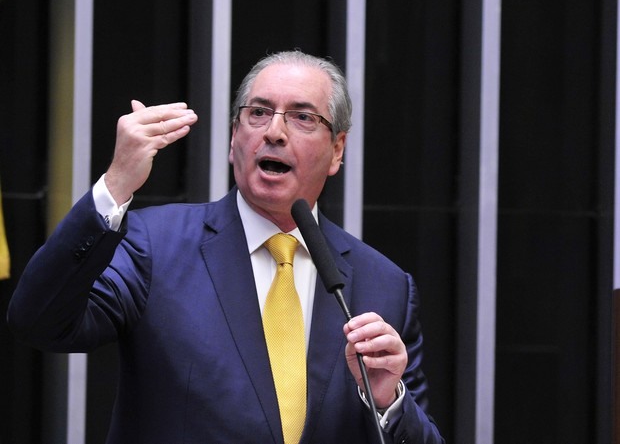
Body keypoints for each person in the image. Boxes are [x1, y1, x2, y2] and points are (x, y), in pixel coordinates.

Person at [8, 50, 444, 444]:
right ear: (234, 137)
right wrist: (116, 184)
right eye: (258, 113)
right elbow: (39, 321)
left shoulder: (384, 286)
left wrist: (387, 400)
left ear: (337, 150)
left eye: (302, 117)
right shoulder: (154, 245)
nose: (274, 131)